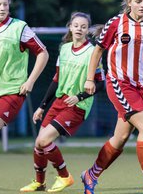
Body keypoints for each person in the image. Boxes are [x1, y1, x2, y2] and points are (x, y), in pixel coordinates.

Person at [82, 0, 143, 194]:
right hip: (119, 83)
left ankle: (91, 175)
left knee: (120, 138)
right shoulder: (116, 23)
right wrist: (89, 79)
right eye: (138, 1)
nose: (142, 5)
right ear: (129, 2)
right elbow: (97, 52)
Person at [20, 12, 105, 192]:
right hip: (59, 101)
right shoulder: (65, 49)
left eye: (83, 26)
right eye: (76, 25)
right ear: (70, 27)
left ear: (87, 30)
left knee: (43, 140)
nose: (79, 29)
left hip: (78, 106)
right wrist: (42, 106)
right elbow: (56, 79)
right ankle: (40, 183)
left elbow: (101, 84)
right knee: (38, 143)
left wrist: (80, 96)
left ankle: (65, 176)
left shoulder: (93, 52)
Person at [0, 0, 49, 194]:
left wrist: (31, 81)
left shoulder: (19, 28)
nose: (2, 8)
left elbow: (43, 53)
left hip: (10, 91)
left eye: (5, 4)